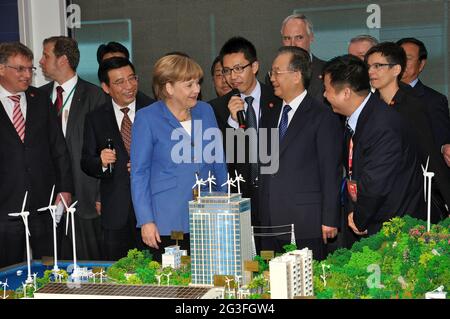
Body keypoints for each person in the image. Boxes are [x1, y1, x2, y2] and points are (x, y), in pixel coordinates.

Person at [131, 54, 228, 261]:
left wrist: (225, 205)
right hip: (166, 218)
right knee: (173, 285)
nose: (197, 90)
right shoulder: (147, 118)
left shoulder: (206, 110)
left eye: (198, 83)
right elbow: (139, 174)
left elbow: (218, 162)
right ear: (169, 88)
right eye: (189, 84)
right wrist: (146, 220)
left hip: (207, 216)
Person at [322, 54, 423, 241]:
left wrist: (360, 219)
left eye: (327, 90)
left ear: (346, 93)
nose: (324, 95)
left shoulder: (382, 125)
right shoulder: (362, 117)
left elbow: (376, 184)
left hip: (392, 228)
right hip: (374, 219)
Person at [259, 46, 343, 260]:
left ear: (296, 76)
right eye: (271, 72)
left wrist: (330, 217)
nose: (272, 78)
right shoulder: (270, 114)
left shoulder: (322, 116)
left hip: (306, 221)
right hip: (270, 219)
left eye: (277, 72)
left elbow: (330, 171)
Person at [0, 42, 73, 267]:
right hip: (5, 209)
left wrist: (65, 188)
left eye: (30, 69)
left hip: (43, 205)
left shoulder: (40, 99)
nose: (27, 75)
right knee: (7, 272)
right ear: (1, 69)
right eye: (20, 69)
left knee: (48, 267)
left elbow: (58, 148)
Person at [365, 42, 450, 222]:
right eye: (369, 66)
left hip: (407, 197)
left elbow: (428, 154)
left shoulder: (411, 106)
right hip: (376, 194)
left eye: (378, 66)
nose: (371, 71)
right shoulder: (369, 105)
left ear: (396, 69)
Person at [39, 36, 106, 260]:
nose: (40, 61)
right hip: (46, 197)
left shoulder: (95, 97)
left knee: (88, 263)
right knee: (52, 263)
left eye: (46, 55)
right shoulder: (38, 96)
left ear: (63, 60)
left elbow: (103, 150)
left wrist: (100, 194)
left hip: (84, 197)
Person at [81, 58, 154, 260]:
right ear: (106, 87)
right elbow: (86, 161)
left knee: (155, 273)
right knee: (118, 275)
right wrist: (101, 162)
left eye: (132, 78)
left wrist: (149, 165)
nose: (129, 86)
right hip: (115, 211)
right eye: (120, 82)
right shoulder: (95, 118)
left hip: (152, 210)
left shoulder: (154, 109)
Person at [209, 36, 282, 227]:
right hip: (239, 200)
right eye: (227, 71)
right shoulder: (217, 108)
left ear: (255, 67)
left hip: (276, 194)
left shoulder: (279, 99)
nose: (233, 76)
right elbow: (219, 157)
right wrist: (233, 124)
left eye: (239, 69)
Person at [396, 37, 450, 167]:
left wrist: (444, 148)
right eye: (399, 57)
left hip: (419, 177)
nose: (402, 62)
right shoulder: (378, 97)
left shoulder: (434, 100)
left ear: (421, 64)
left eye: (408, 58)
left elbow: (441, 141)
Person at [266, 14, 326, 101]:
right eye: (287, 38)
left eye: (299, 38)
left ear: (311, 38)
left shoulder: (326, 71)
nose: (292, 44)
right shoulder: (274, 75)